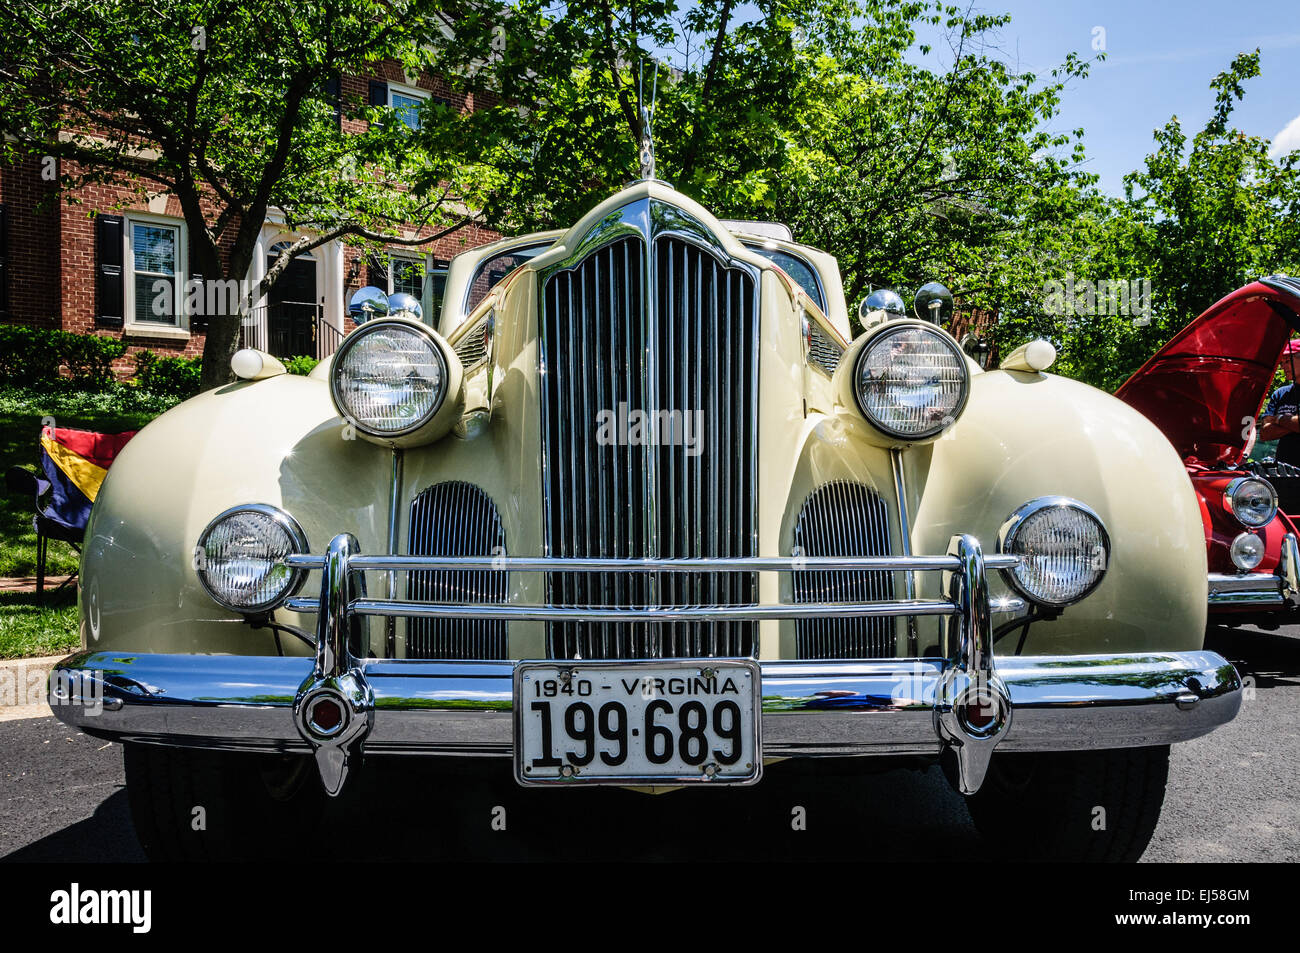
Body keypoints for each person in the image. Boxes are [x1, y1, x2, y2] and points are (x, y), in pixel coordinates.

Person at [1258, 339, 1300, 465]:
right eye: (1281, 363)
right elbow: (1264, 433)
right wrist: (1293, 423)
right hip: (1285, 471)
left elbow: (1271, 424)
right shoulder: (1280, 394)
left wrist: (1277, 419)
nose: (1282, 367)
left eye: (1287, 361)